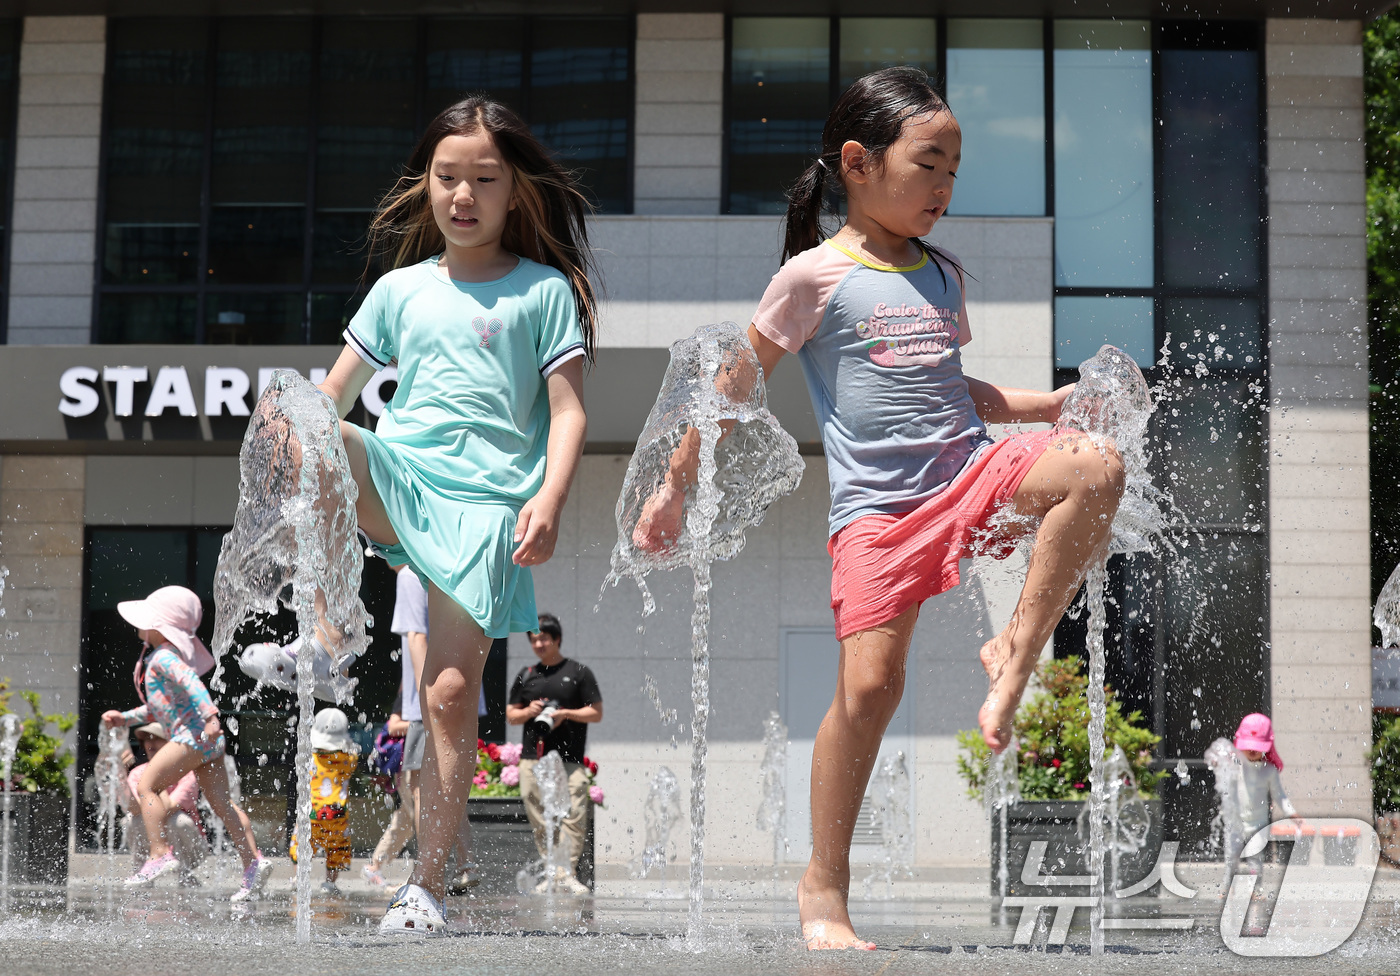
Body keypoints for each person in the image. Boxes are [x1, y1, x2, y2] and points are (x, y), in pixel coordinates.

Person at [634, 67, 1125, 949]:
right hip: (880, 512)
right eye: (928, 165)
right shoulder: (812, 278)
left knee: (1095, 466)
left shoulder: (941, 275)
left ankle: (1017, 647)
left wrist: (1044, 408)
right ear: (858, 163)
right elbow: (733, 389)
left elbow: (950, 389)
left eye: (954, 172)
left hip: (971, 472)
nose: (943, 188)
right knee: (870, 688)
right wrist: (674, 482)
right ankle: (823, 890)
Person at [304, 95, 595, 935]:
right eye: (447, 178)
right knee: (301, 418)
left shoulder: (545, 293)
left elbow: (569, 413)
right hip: (402, 475)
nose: (463, 195)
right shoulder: (400, 289)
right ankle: (325, 622)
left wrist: (549, 495)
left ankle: (425, 886)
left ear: (516, 194)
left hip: (486, 507)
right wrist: (297, 429)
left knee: (451, 692)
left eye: (484, 180)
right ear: (424, 186)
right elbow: (336, 395)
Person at [101, 585, 272, 901]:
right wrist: (124, 718)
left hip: (192, 737)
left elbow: (192, 683)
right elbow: (157, 708)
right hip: (208, 743)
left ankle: (159, 854)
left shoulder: (164, 657)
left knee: (147, 787)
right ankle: (253, 864)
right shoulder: (167, 657)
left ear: (158, 625)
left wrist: (210, 715)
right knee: (223, 804)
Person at [363, 564, 480, 894]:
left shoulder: (411, 573)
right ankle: (463, 862)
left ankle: (428, 875)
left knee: (422, 792)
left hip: (427, 707)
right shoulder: (454, 568)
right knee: (450, 786)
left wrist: (428, 703)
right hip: (462, 694)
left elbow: (416, 636)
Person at [506, 613, 602, 895]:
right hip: (533, 758)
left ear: (557, 639)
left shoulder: (579, 672)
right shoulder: (526, 674)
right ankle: (553, 871)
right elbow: (512, 716)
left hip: (569, 759)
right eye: (533, 639)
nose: (538, 644)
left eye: (543, 639)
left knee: (574, 812)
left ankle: (567, 873)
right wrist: (529, 712)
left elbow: (596, 712)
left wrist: (565, 714)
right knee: (537, 812)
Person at [120, 722, 204, 887]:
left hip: (193, 849)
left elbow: (168, 809)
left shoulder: (186, 772)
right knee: (132, 820)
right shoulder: (137, 772)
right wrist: (121, 772)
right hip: (156, 843)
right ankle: (143, 868)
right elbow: (134, 808)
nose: (151, 743)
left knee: (177, 820)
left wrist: (155, 779)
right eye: (147, 739)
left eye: (157, 738)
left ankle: (184, 874)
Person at [289, 707, 359, 896]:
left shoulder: (310, 758)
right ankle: (329, 882)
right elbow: (354, 754)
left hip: (311, 813)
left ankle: (298, 879)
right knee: (337, 848)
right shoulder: (347, 759)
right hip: (337, 815)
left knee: (302, 846)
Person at [1226, 713, 1298, 884]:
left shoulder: (1268, 771)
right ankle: (1226, 887)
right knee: (1231, 858)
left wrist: (1292, 813)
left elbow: (1279, 795)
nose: (1252, 750)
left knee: (1256, 859)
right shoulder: (1235, 766)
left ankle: (1256, 889)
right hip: (1235, 822)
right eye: (1248, 746)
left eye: (1257, 747)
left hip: (1259, 824)